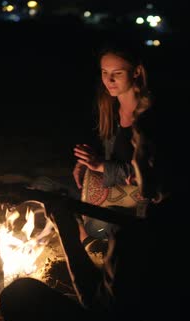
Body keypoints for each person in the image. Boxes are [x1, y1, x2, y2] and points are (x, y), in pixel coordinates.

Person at [72, 41, 152, 242]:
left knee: (97, 226)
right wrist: (85, 161)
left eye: (117, 73)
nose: (109, 80)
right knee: (44, 187)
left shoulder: (149, 117)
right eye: (104, 72)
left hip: (142, 198)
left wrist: (99, 166)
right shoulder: (109, 107)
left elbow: (151, 176)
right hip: (113, 189)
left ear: (137, 72)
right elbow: (105, 152)